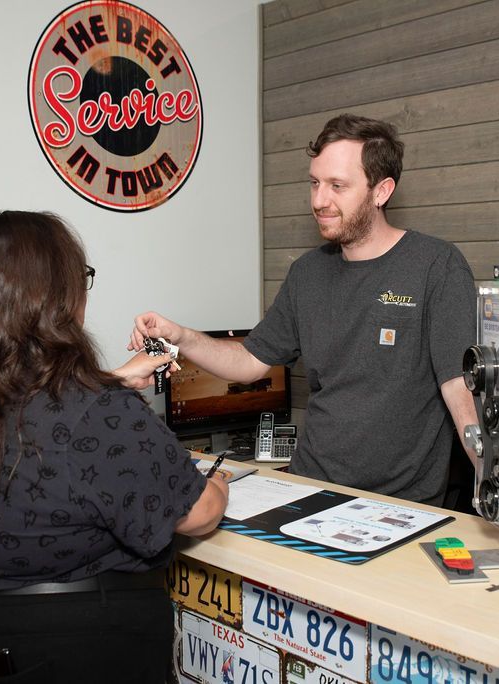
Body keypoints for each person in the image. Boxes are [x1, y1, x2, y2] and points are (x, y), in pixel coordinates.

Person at [0, 210, 228, 683]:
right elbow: (198, 513)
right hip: (69, 645)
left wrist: (107, 380)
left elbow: (14, 408)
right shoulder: (98, 413)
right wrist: (217, 482)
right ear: (53, 299)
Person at [129, 114, 478, 506]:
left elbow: (459, 389)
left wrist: (492, 485)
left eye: (337, 186)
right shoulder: (307, 273)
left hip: (398, 506)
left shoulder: (436, 266)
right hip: (310, 490)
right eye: (315, 183)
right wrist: (181, 336)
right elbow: (249, 361)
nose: (318, 201)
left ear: (381, 191)